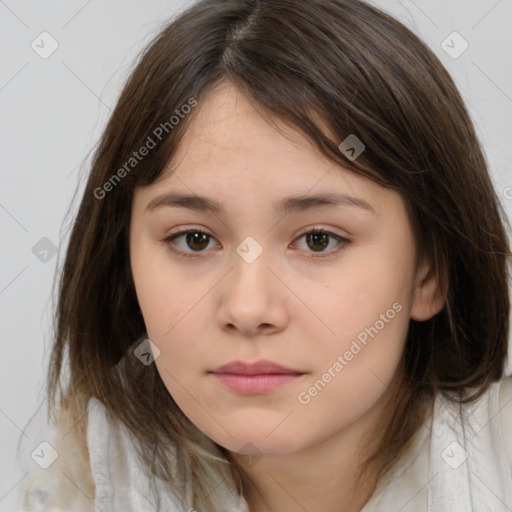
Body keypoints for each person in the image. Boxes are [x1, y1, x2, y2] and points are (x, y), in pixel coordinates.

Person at [15, 0, 512, 510]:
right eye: (195, 239)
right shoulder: (76, 488)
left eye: (319, 239)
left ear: (429, 273)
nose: (248, 309)